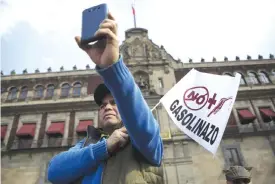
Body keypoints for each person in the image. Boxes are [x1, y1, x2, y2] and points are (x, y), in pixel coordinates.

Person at [47, 11, 163, 184]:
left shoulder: (144, 140)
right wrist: (105, 147)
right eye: (102, 105)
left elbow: (140, 121)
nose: (107, 107)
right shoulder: (87, 143)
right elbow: (54, 171)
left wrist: (112, 67)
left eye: (114, 102)